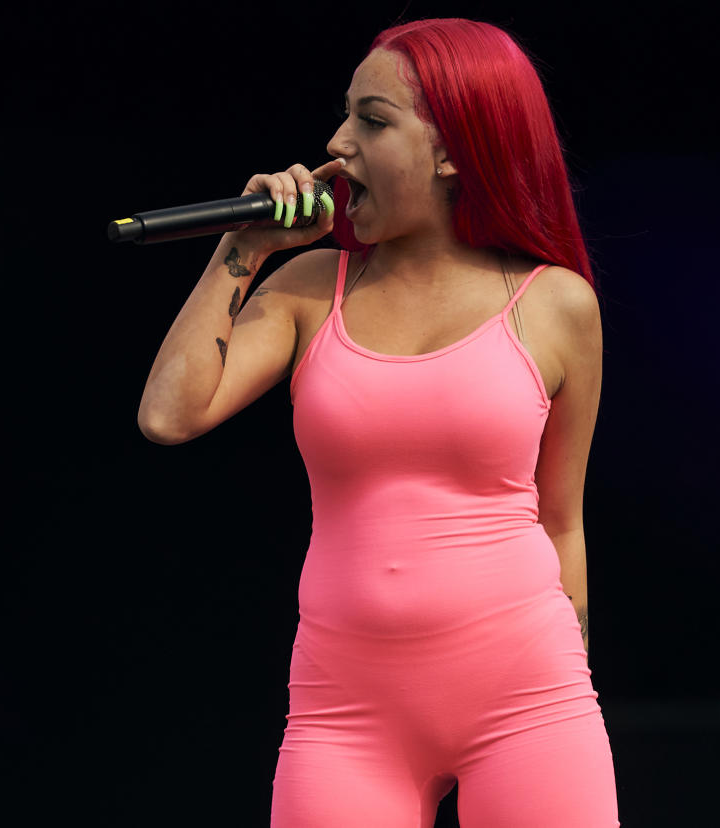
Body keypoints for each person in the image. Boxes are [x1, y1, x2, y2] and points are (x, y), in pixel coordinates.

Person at [138, 17, 618, 827]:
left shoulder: (556, 304)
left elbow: (561, 520)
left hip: (529, 704)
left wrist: (571, 678)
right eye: (345, 114)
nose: (335, 141)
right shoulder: (310, 285)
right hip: (345, 717)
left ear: (452, 149)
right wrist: (245, 247)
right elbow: (168, 415)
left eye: (372, 118)